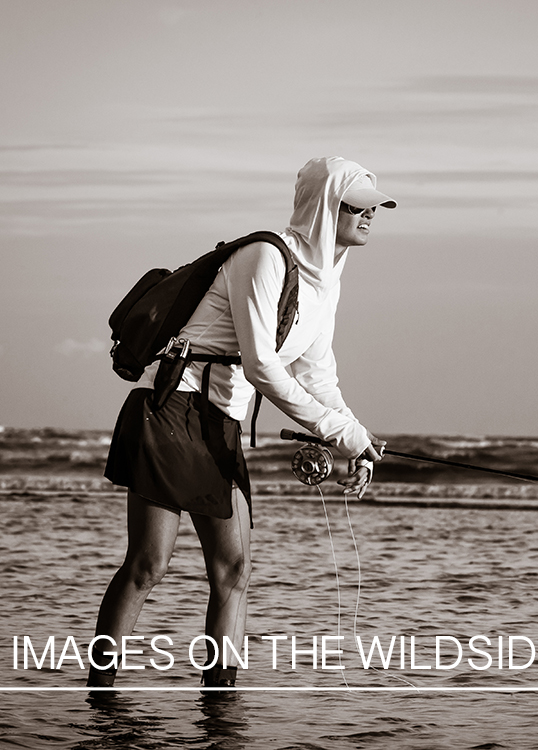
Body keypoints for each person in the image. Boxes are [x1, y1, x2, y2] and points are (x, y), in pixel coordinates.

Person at [89, 156, 393, 688]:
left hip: (220, 424)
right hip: (175, 409)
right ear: (324, 208)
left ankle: (220, 705)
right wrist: (339, 433)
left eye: (378, 207)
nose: (371, 215)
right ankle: (101, 694)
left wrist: (353, 439)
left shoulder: (326, 281)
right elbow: (261, 365)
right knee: (149, 564)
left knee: (233, 572)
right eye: (358, 206)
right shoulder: (266, 256)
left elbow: (317, 376)